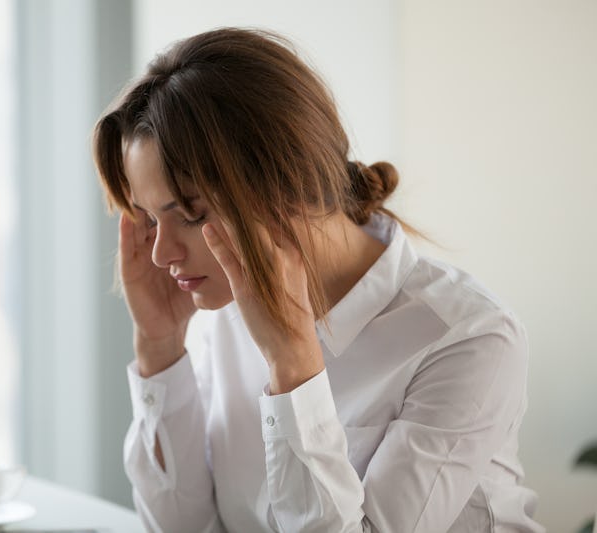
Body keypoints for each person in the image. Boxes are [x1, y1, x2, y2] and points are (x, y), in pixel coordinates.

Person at [92, 27, 543, 533]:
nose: (160, 254)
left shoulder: (470, 338)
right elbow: (184, 527)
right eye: (150, 219)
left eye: (191, 214)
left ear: (288, 185)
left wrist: (294, 367)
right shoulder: (227, 310)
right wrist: (160, 347)